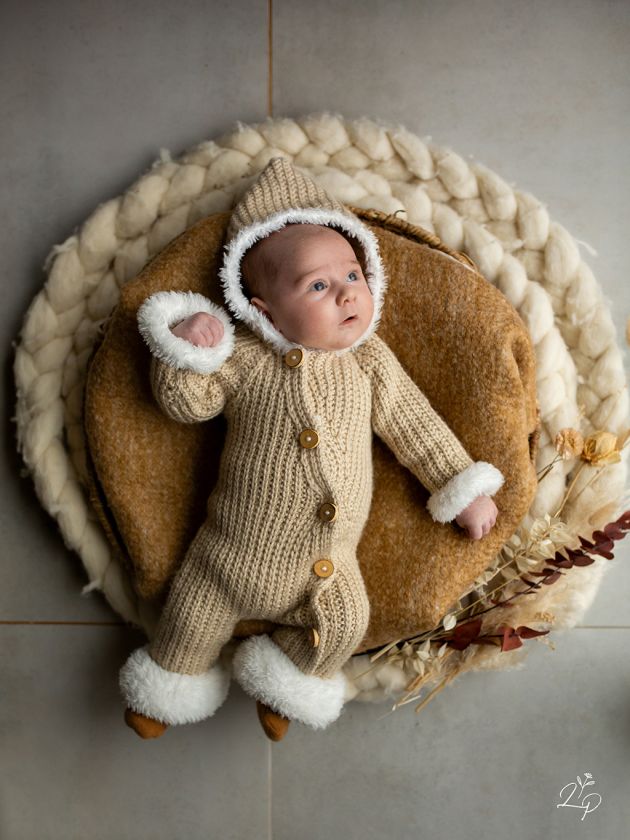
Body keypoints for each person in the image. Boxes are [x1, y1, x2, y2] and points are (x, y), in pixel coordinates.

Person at [120, 157, 504, 741]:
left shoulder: (370, 364)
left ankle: (287, 682)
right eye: (317, 286)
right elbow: (187, 403)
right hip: (226, 558)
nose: (346, 294)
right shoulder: (246, 357)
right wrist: (186, 347)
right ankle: (167, 687)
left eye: (352, 275)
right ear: (264, 310)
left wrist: (461, 487)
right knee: (188, 620)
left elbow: (415, 426)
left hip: (326, 570)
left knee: (347, 625)